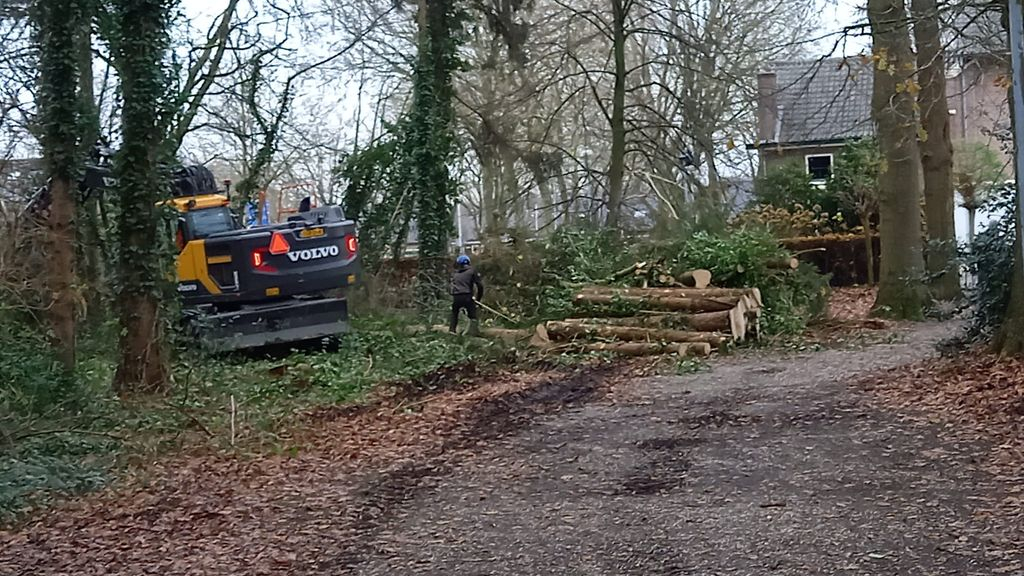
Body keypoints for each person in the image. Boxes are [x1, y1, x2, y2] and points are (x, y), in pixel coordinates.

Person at [450, 254, 483, 335]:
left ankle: (452, 330)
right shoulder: (472, 272)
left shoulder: (455, 274)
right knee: (472, 315)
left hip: (456, 297)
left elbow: (450, 287)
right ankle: (474, 332)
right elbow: (480, 286)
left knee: (454, 313)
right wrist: (478, 299)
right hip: (467, 296)